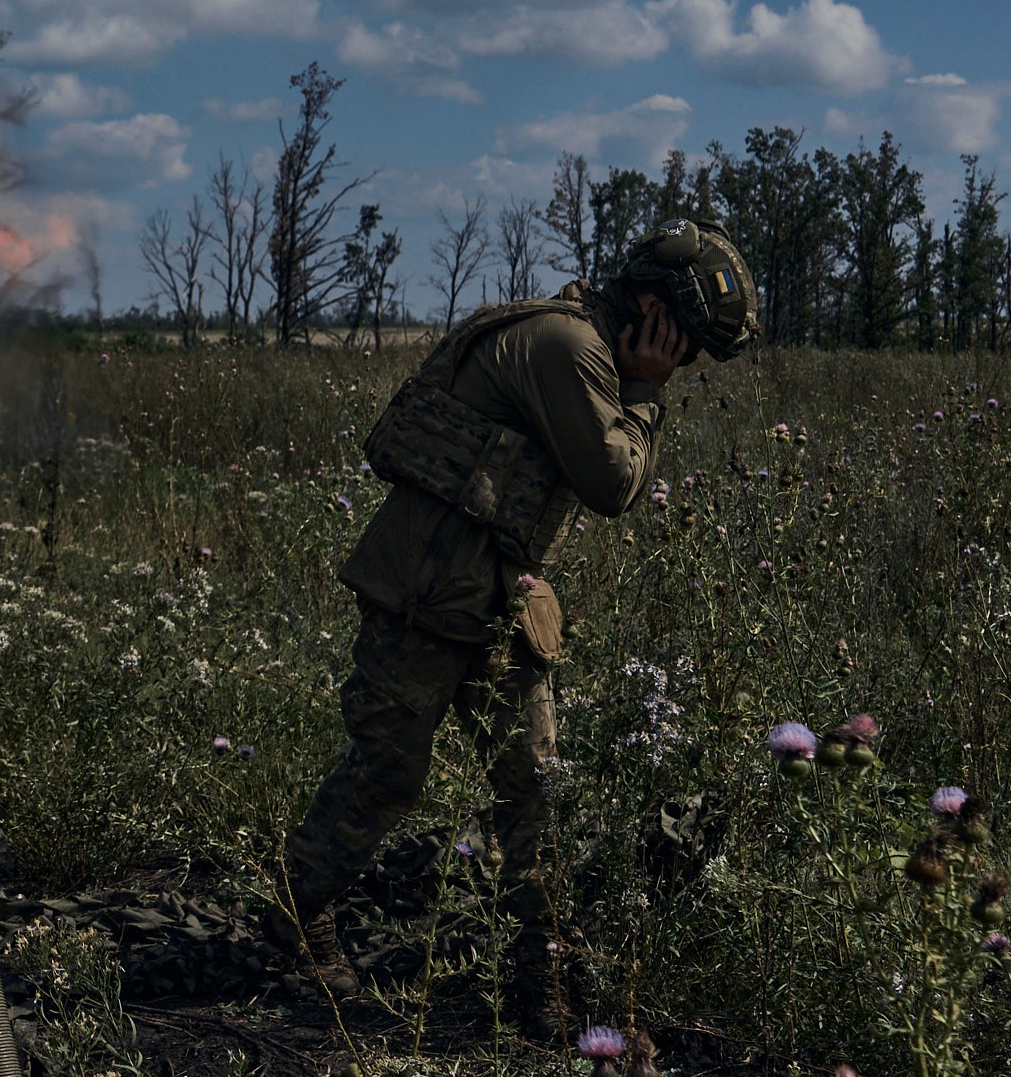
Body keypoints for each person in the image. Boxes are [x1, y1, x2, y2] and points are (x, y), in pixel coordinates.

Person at [277, 220, 755, 1024]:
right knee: (385, 774)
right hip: (425, 596)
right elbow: (612, 483)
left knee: (533, 790)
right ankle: (300, 918)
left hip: (500, 600)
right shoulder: (565, 346)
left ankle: (541, 979)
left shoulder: (584, 344)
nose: (687, 362)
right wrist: (643, 393)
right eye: (688, 344)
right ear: (651, 306)